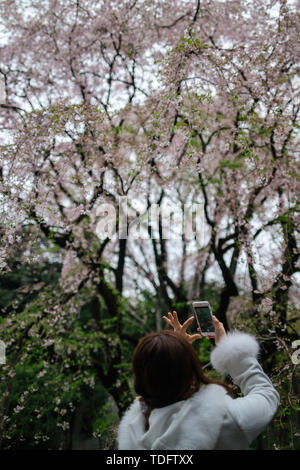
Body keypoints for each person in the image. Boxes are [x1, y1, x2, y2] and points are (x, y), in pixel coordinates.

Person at [117, 311, 280, 450]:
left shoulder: (134, 432)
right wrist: (231, 353)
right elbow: (267, 395)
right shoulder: (223, 420)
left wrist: (178, 353)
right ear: (191, 371)